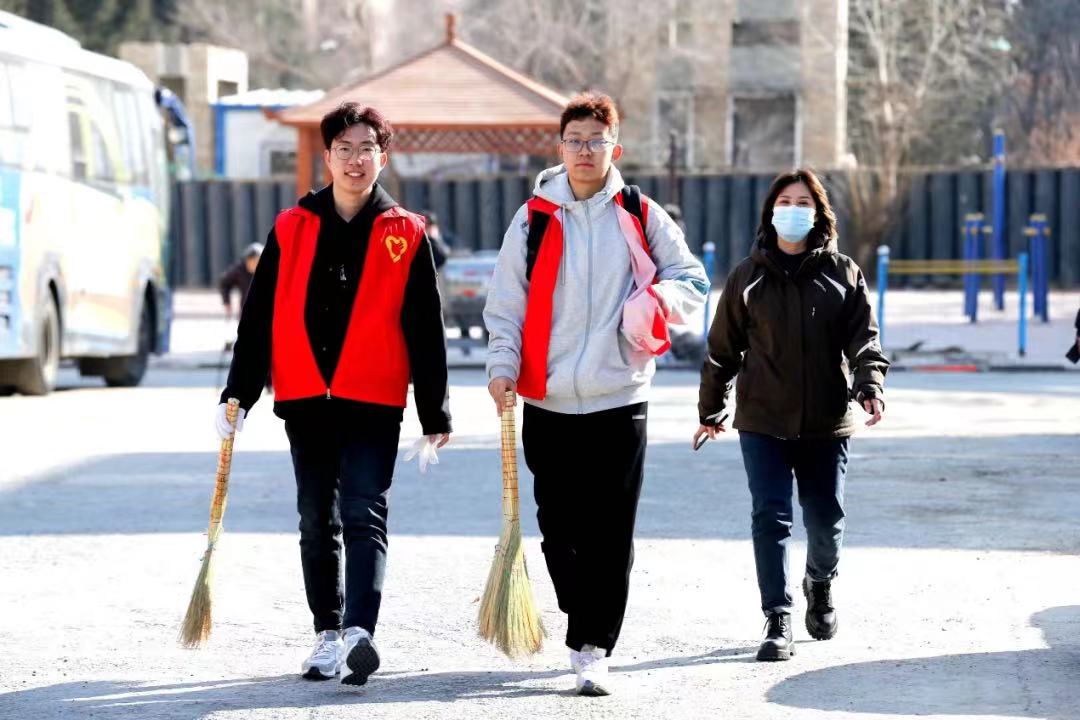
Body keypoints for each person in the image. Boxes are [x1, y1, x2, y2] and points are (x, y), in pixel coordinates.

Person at [215, 102, 452, 686]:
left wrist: (434, 410)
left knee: (364, 509)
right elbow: (259, 316)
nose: (354, 160)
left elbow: (426, 325)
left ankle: (359, 633)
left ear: (383, 157)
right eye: (343, 149)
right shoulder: (292, 225)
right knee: (316, 517)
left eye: (366, 149)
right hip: (305, 397)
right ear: (327, 156)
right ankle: (327, 631)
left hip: (375, 397)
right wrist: (238, 393)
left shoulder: (405, 232)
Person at [483, 91, 709, 696]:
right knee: (559, 530)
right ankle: (581, 617)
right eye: (575, 141)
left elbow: (693, 280)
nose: (585, 151)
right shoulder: (533, 218)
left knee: (611, 533)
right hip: (548, 398)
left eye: (596, 141)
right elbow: (505, 304)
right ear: (560, 148)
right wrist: (502, 364)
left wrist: (654, 302)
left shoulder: (640, 212)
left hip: (620, 397)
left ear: (616, 148)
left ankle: (593, 646)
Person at [695, 168, 889, 662]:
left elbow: (864, 339)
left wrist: (869, 384)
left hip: (826, 420)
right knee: (770, 516)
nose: (793, 210)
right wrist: (711, 408)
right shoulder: (747, 277)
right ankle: (777, 618)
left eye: (803, 202)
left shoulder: (843, 272)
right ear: (771, 212)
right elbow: (721, 350)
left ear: (818, 213)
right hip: (763, 420)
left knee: (825, 519)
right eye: (785, 201)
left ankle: (819, 582)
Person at [218, 242, 263, 318]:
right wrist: (227, 301)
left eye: (257, 261)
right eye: (251, 261)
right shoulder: (240, 270)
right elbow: (225, 282)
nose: (253, 264)